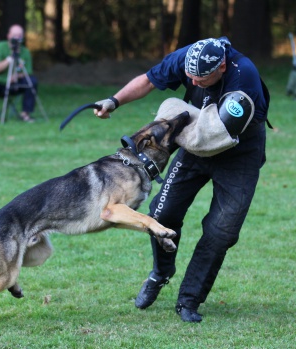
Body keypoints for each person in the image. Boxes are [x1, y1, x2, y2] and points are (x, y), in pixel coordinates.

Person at [94, 37, 269, 323]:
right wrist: (114, 101)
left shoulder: (243, 76)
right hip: (198, 135)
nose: (195, 84)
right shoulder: (189, 58)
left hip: (235, 148)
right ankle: (161, 272)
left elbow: (215, 138)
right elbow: (148, 80)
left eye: (202, 80)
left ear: (222, 66)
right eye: (191, 78)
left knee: (221, 231)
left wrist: (174, 133)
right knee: (162, 213)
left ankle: (189, 299)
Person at [0, 24, 37, 123]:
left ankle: (26, 113)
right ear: (8, 35)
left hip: (14, 84)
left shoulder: (25, 52)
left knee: (32, 81)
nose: (16, 38)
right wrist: (10, 59)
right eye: (14, 35)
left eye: (19, 35)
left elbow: (28, 72)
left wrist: (16, 76)